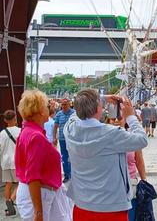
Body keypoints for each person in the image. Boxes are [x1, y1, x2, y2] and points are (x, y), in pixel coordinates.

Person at [63, 89, 148, 220]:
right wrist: (131, 117)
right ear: (99, 108)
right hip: (111, 205)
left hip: (82, 203)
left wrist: (100, 98)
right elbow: (142, 140)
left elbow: (75, 116)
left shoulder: (70, 129)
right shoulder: (112, 134)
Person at [15, 90, 72, 221]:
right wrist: (38, 212)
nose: (50, 109)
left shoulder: (28, 131)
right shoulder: (36, 136)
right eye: (47, 106)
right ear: (40, 111)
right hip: (40, 194)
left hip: (41, 192)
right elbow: (32, 175)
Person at [0, 110, 20, 216]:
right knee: (21, 183)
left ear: (5, 120)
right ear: (15, 118)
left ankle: (9, 205)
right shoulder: (20, 131)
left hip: (5, 162)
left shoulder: (1, 134)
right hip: (17, 162)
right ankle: (12, 201)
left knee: (8, 184)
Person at [53, 97, 75, 183]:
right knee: (64, 157)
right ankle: (67, 174)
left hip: (72, 139)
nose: (63, 106)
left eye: (65, 104)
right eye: (62, 104)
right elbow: (55, 126)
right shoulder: (59, 114)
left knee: (73, 156)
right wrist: (54, 137)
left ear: (70, 104)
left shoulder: (74, 114)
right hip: (62, 139)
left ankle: (73, 174)